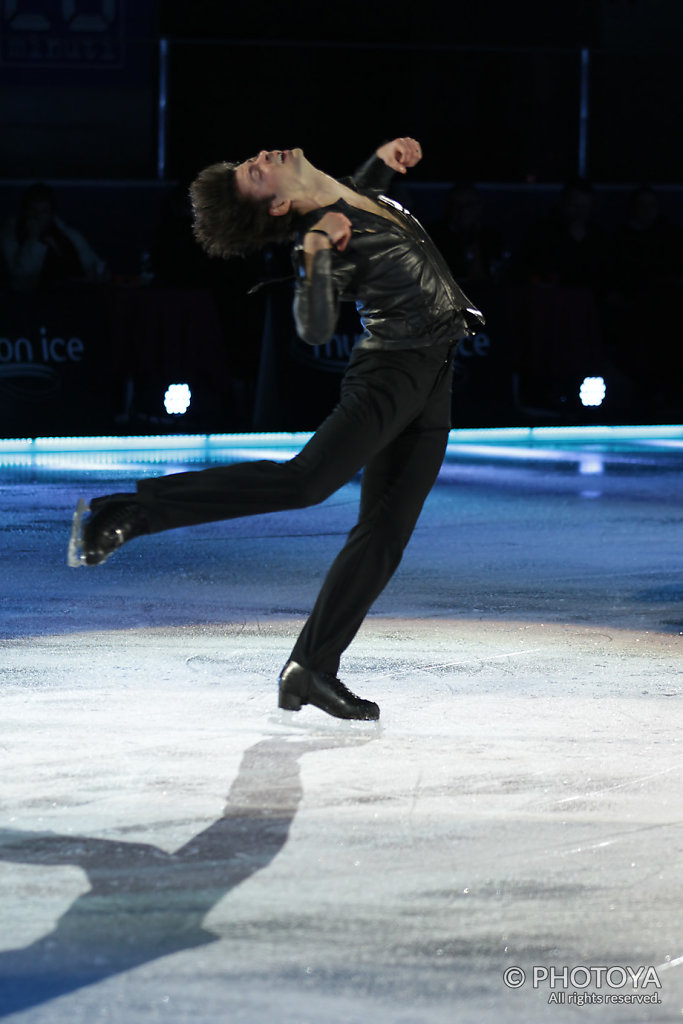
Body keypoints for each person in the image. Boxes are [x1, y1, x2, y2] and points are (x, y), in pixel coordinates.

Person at [67, 138, 484, 721]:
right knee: (306, 482)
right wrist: (314, 251)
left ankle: (310, 668)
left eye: (251, 159)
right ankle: (131, 509)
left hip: (433, 375)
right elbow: (314, 328)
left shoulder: (347, 193)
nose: (261, 157)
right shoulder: (317, 229)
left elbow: (359, 196)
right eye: (255, 173)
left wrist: (381, 162)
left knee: (384, 534)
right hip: (392, 370)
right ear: (279, 209)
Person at [0, 183, 108, 292]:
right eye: (32, 211)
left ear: (51, 214)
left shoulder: (66, 234)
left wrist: (99, 275)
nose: (38, 216)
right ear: (24, 211)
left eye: (44, 211)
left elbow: (93, 265)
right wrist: (33, 238)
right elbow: (20, 281)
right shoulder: (11, 234)